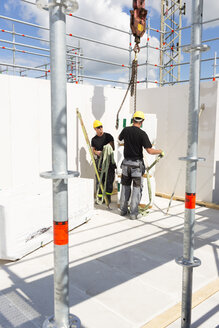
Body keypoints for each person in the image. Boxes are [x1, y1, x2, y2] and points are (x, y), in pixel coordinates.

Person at [118, 111, 164, 220]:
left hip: (125, 164)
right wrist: (160, 151)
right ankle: (133, 214)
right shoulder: (142, 134)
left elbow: (119, 138)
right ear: (142, 121)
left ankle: (123, 210)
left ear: (133, 120)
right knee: (136, 189)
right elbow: (149, 150)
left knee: (125, 187)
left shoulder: (126, 130)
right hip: (136, 166)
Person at [91, 120, 116, 204]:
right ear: (95, 129)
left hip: (109, 162)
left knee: (109, 180)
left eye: (101, 126)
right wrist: (96, 152)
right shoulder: (94, 140)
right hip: (100, 162)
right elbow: (92, 150)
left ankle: (108, 198)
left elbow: (112, 147)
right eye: (98, 127)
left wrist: (106, 149)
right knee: (99, 180)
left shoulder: (108, 136)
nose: (101, 128)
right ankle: (100, 197)